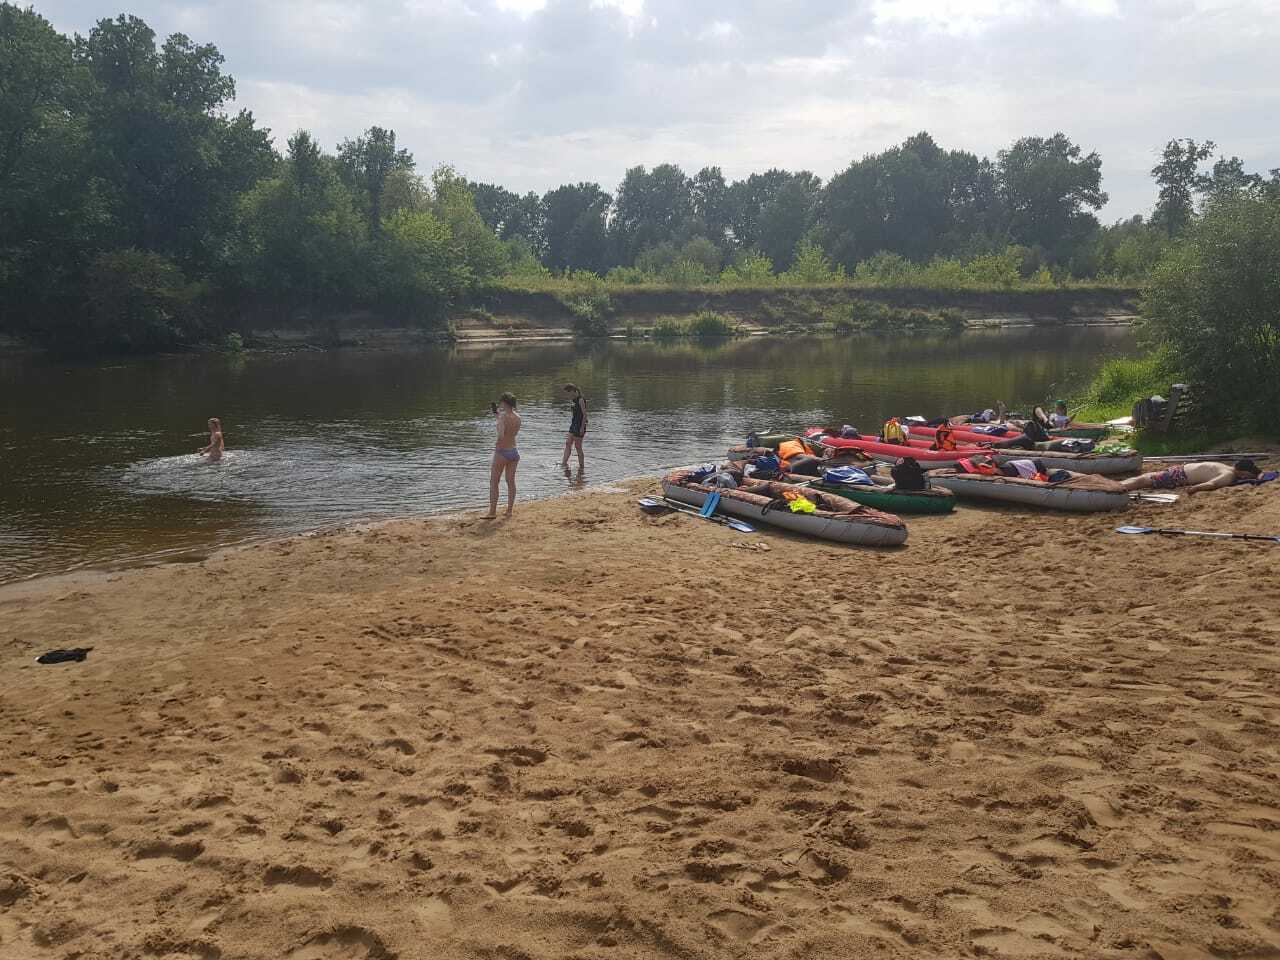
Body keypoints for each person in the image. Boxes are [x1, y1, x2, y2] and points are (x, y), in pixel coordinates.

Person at [1120, 460, 1260, 496]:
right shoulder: (1228, 475)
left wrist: (1195, 488)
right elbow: (1212, 484)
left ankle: (1118, 485)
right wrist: (1195, 488)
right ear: (1244, 472)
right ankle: (1118, 486)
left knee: (1144, 479)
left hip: (1180, 472)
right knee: (1144, 480)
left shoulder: (1226, 469)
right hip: (1179, 474)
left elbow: (1211, 484)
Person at [485, 393, 522, 518]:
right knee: (511, 482)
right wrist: (498, 417)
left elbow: (501, 434)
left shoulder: (502, 417)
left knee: (494, 482)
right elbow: (511, 432)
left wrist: (497, 443)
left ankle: (492, 512)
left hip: (502, 452)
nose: (500, 404)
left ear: (504, 403)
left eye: (501, 402)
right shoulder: (518, 417)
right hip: (514, 452)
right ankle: (509, 511)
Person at [560, 383, 588, 473]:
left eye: (568, 393)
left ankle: (581, 468)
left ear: (572, 391)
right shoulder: (574, 401)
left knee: (578, 447)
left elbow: (584, 415)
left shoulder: (580, 400)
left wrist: (582, 428)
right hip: (573, 424)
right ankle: (563, 464)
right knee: (568, 443)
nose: (567, 396)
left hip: (579, 425)